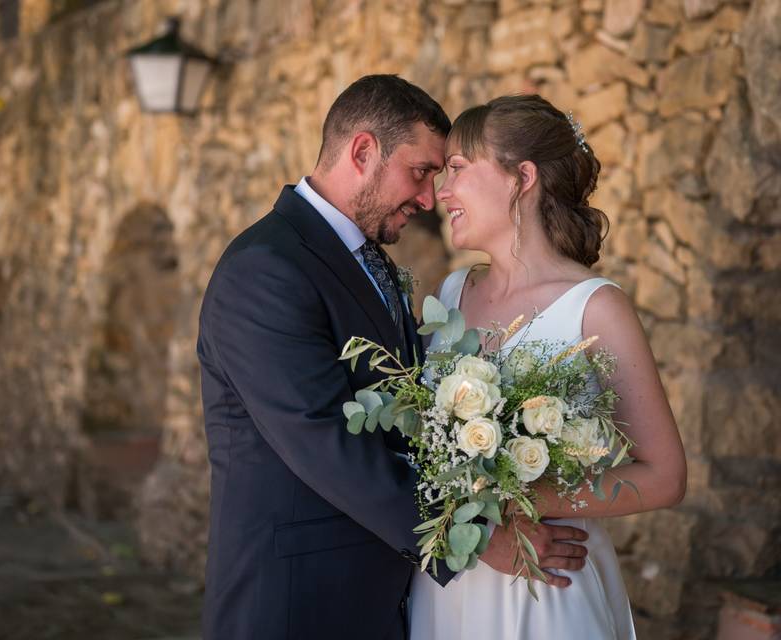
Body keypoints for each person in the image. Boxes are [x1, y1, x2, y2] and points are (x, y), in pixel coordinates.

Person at [197, 77, 591, 640]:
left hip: (380, 600)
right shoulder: (266, 269)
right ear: (363, 152)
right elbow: (324, 441)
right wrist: (475, 535)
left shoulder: (367, 260)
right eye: (422, 171)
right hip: (294, 603)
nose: (430, 198)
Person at [409, 94, 687, 639]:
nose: (442, 192)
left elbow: (665, 476)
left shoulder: (596, 308)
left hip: (544, 586)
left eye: (459, 170)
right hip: (451, 581)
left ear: (522, 177)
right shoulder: (450, 293)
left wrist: (527, 498)